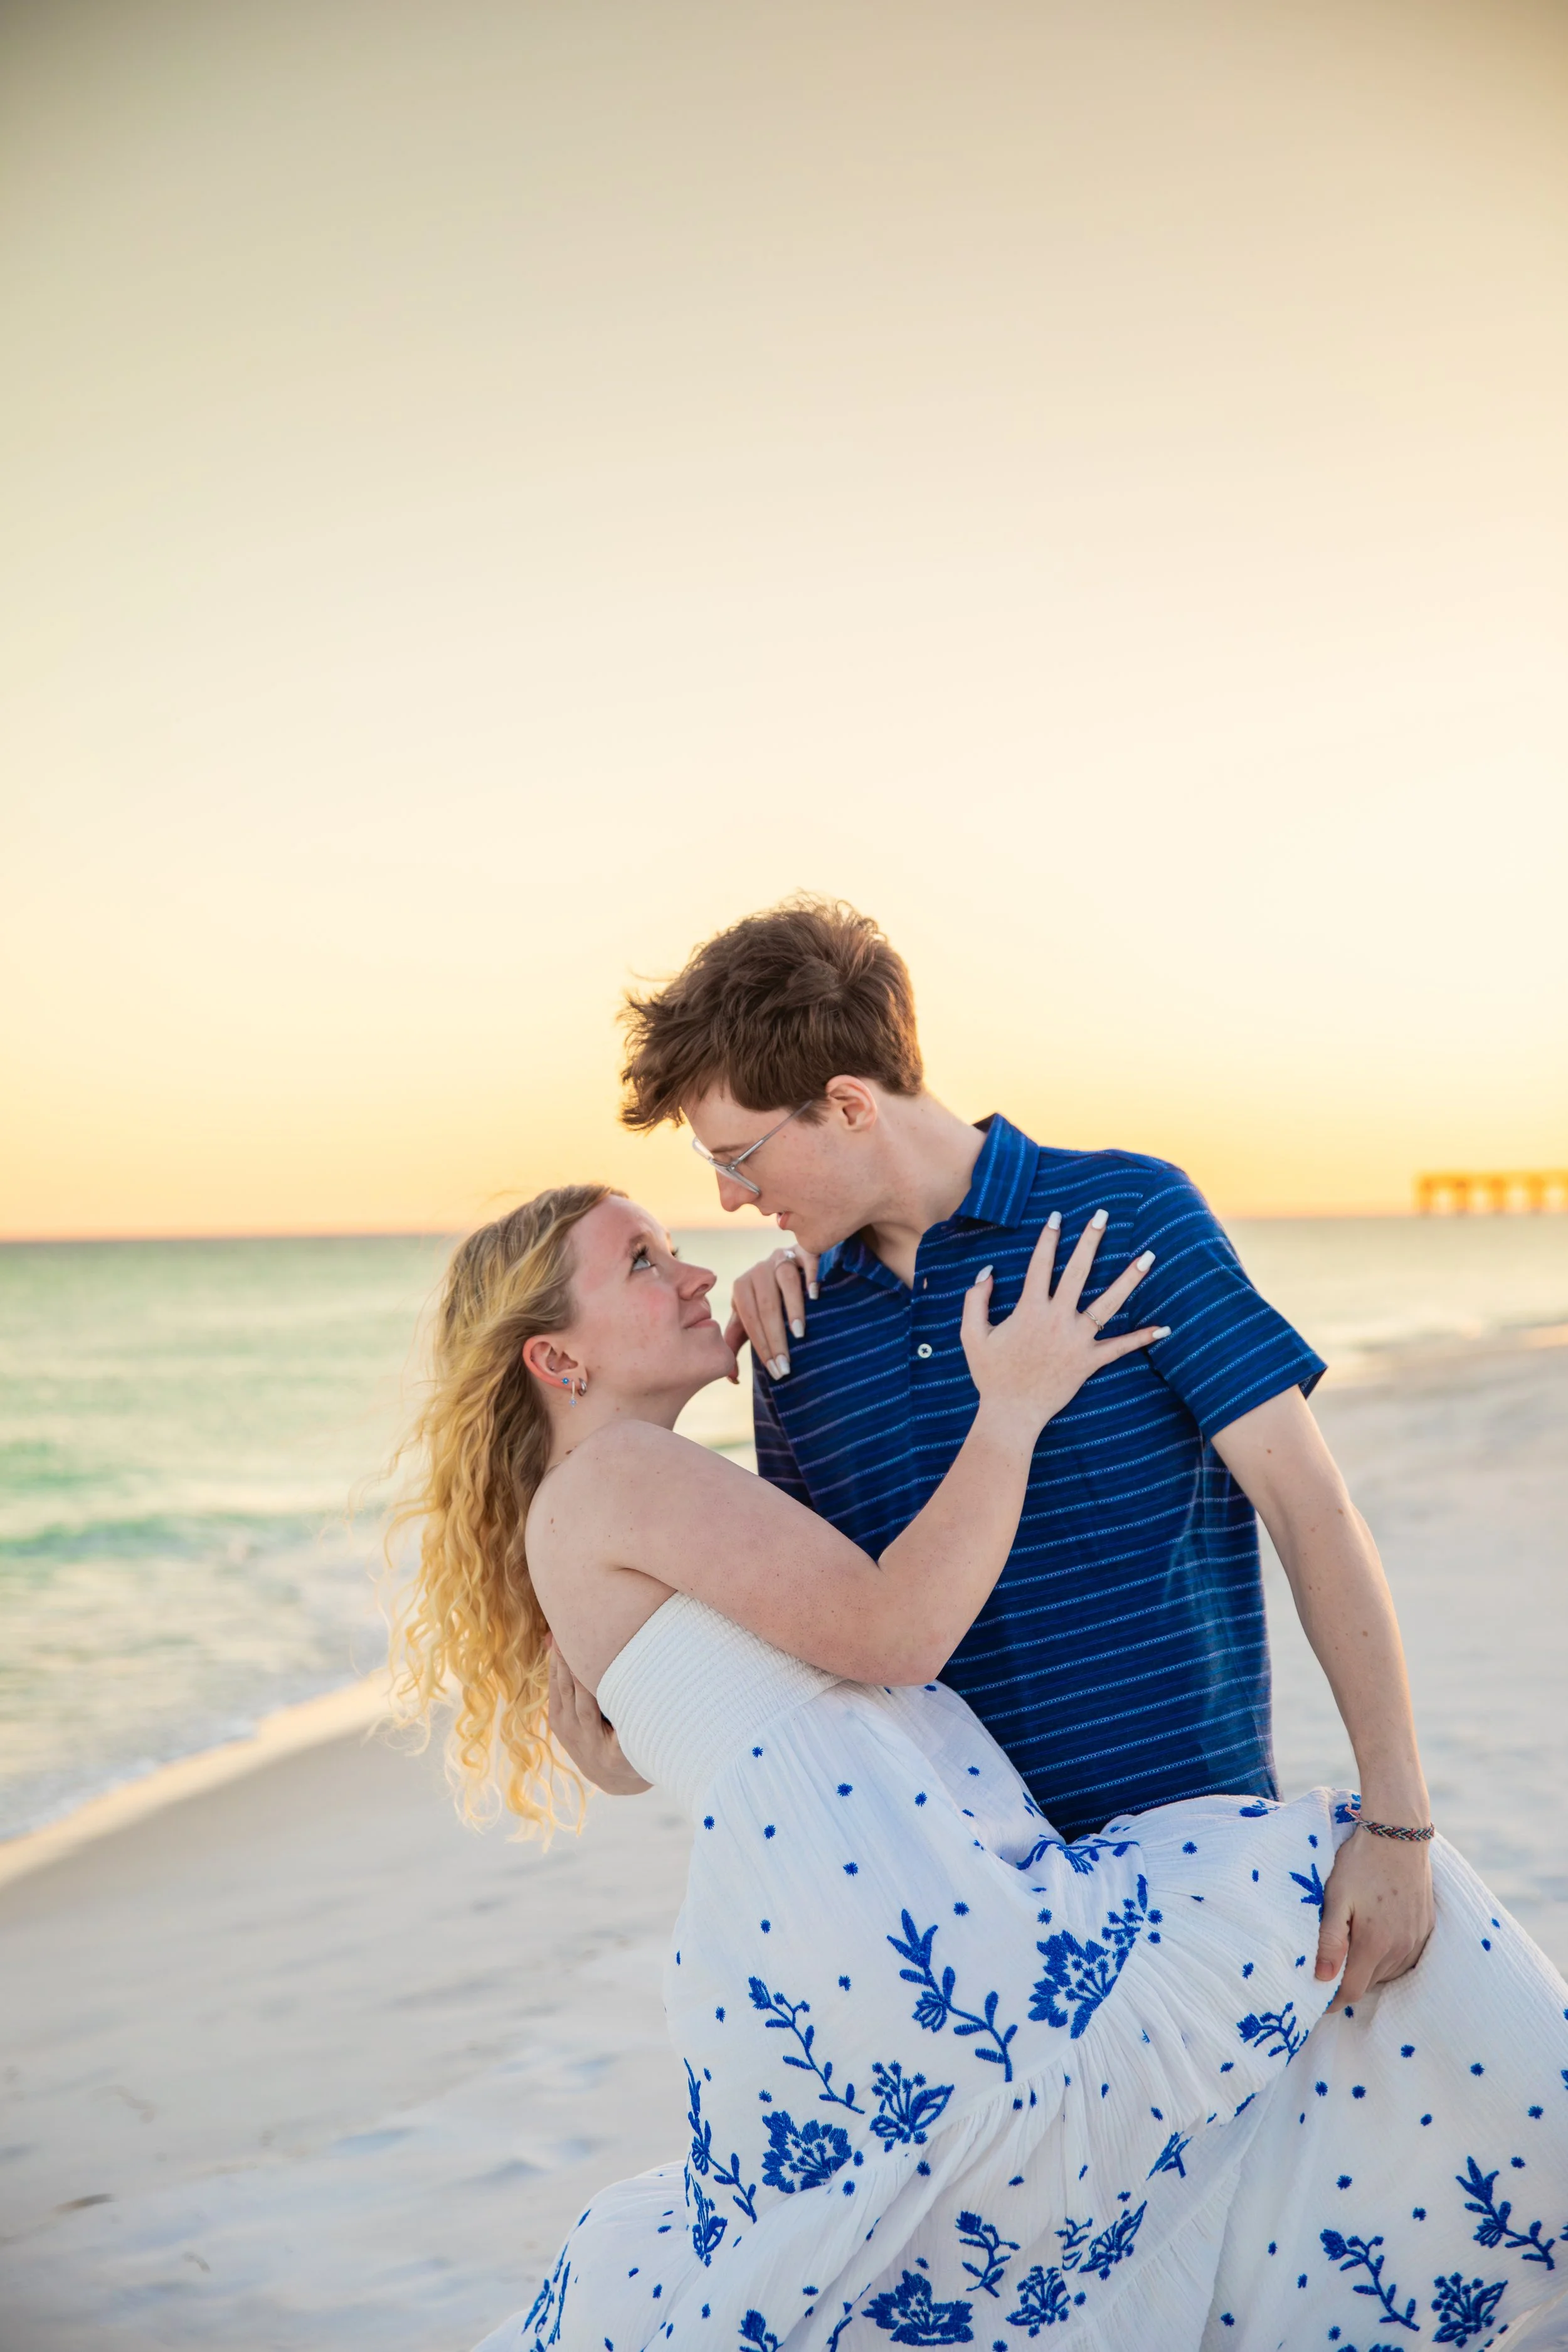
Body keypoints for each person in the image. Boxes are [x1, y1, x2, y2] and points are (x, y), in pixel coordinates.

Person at [389, 1186, 1568, 2352]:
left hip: (841, 1932)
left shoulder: (593, 1499)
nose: (694, 1271)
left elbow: (671, 1726)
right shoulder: (622, 1477)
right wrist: (1010, 1407)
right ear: (559, 1357)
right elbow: (894, 1630)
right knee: (1329, 1889)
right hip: (913, 1924)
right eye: (644, 1261)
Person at [554, 898, 1433, 2018]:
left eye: (738, 1155)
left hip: (1212, 1905)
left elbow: (1311, 1510)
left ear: (848, 1104)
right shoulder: (796, 1334)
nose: (729, 1196)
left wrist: (1397, 1816)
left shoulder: (1125, 1212)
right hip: (973, 1967)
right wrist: (627, 1726)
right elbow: (828, 1666)